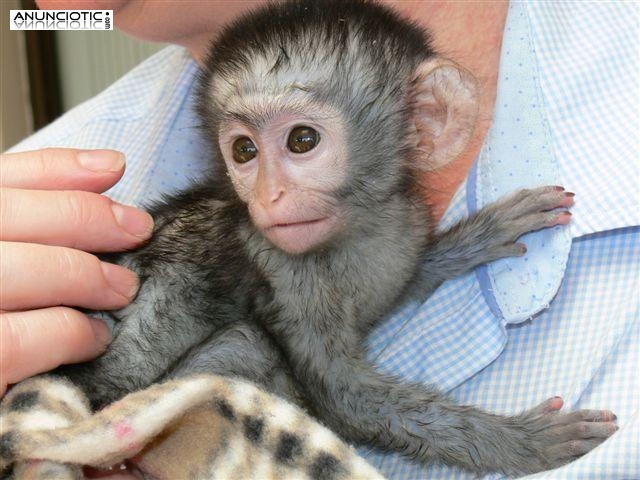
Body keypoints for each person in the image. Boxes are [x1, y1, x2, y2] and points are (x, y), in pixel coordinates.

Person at [1, 1, 637, 478]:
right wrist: (511, 445)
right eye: (244, 152)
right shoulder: (37, 186)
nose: (270, 197)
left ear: (428, 121)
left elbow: (363, 287)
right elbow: (346, 389)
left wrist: (473, 241)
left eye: (303, 140)